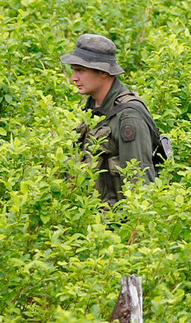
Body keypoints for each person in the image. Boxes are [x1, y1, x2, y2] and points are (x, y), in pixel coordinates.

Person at [61, 33, 160, 206]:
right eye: (74, 70)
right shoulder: (94, 107)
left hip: (117, 225)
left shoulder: (129, 117)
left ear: (103, 72)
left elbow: (140, 185)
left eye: (81, 71)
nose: (74, 78)